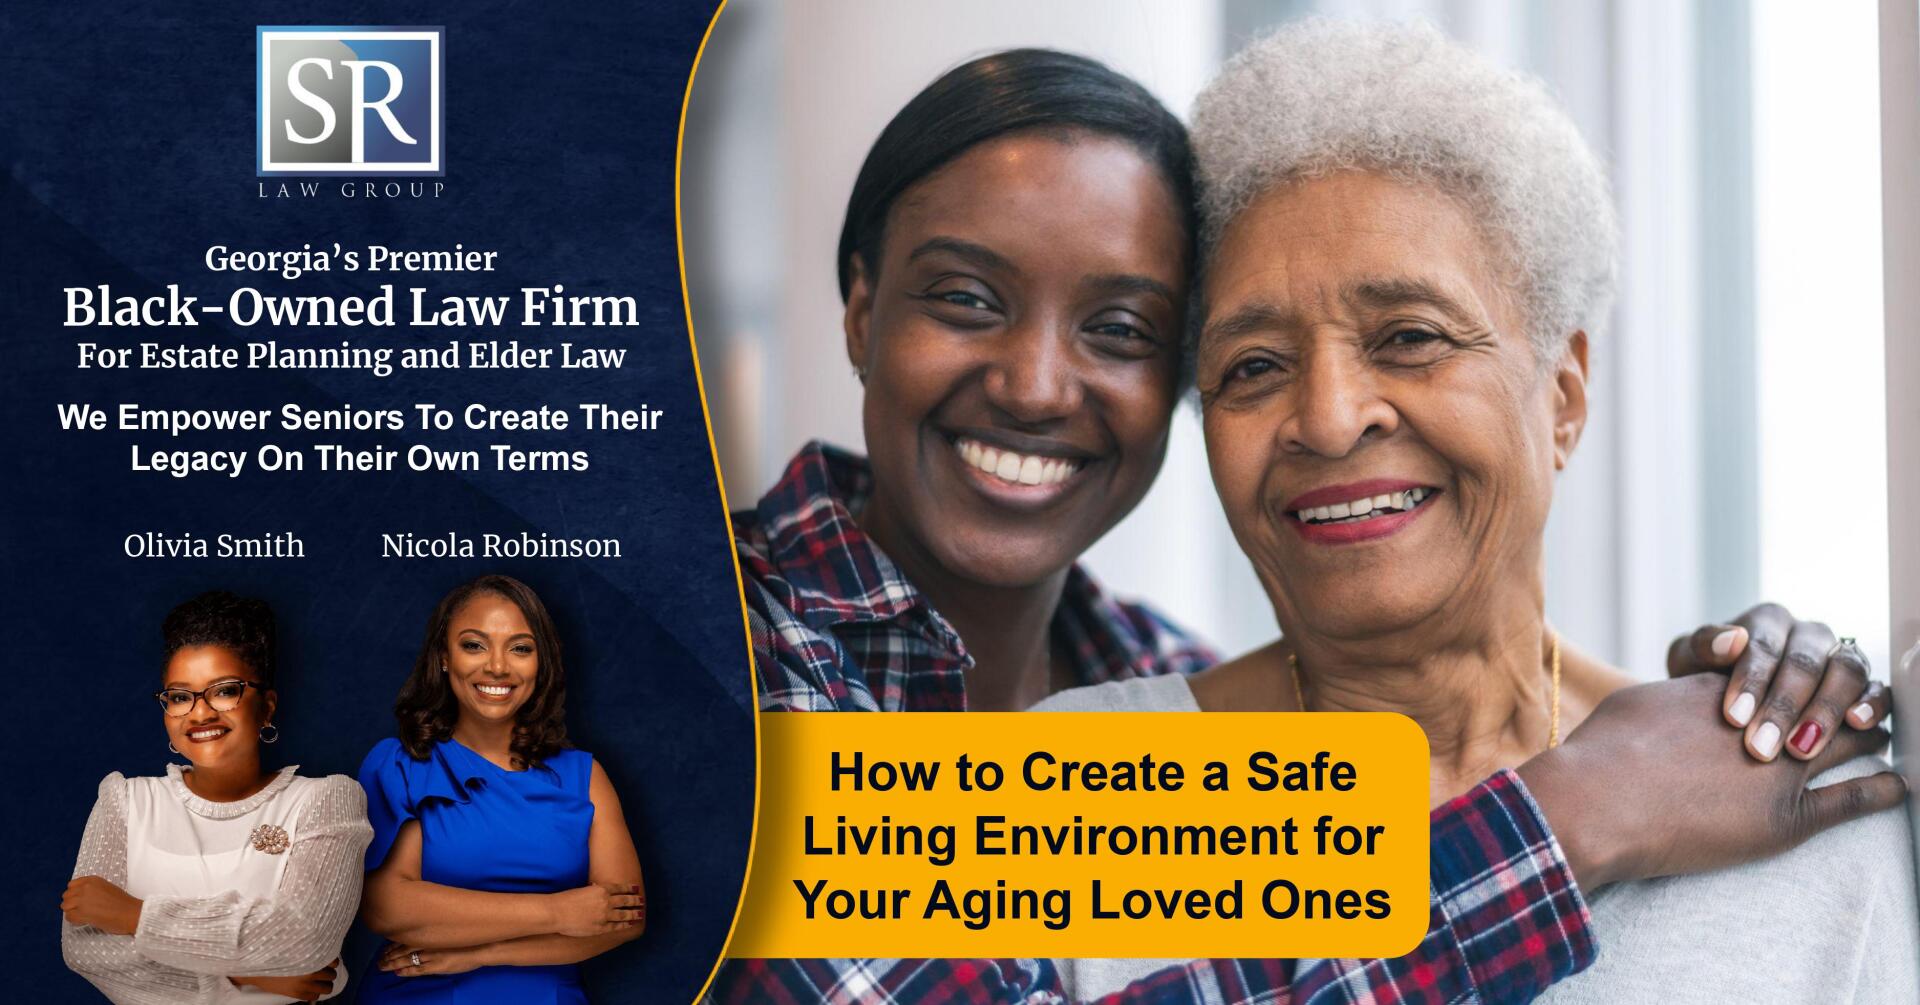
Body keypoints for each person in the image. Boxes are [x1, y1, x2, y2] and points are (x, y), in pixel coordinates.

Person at [714, 46, 1895, 1005]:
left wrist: (1774, 696)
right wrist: (1576, 814)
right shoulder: (721, 656)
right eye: (1255, 363)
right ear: (860, 311)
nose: (1328, 420)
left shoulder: (1804, 815)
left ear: (1565, 394)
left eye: (1412, 336)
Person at [61, 591, 370, 1004]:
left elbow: (304, 939)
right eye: (179, 696)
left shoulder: (326, 800)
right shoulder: (125, 801)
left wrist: (134, 916)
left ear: (267, 707)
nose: (200, 712)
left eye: (225, 691)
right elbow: (86, 952)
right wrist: (238, 975)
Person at [356, 574, 645, 1003]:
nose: (497, 666)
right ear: (443, 657)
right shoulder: (402, 765)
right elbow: (388, 907)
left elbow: (625, 919)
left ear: (541, 662)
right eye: (474, 645)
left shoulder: (583, 776)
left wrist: (484, 953)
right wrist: (558, 912)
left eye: (521, 648)